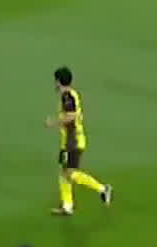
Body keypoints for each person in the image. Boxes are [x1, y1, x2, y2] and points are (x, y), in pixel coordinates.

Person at [45, 66, 112, 215]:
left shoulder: (67, 96)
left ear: (58, 81)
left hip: (73, 141)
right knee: (64, 173)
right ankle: (67, 206)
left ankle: (102, 189)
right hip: (68, 140)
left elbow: (71, 116)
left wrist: (53, 123)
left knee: (70, 173)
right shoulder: (70, 94)